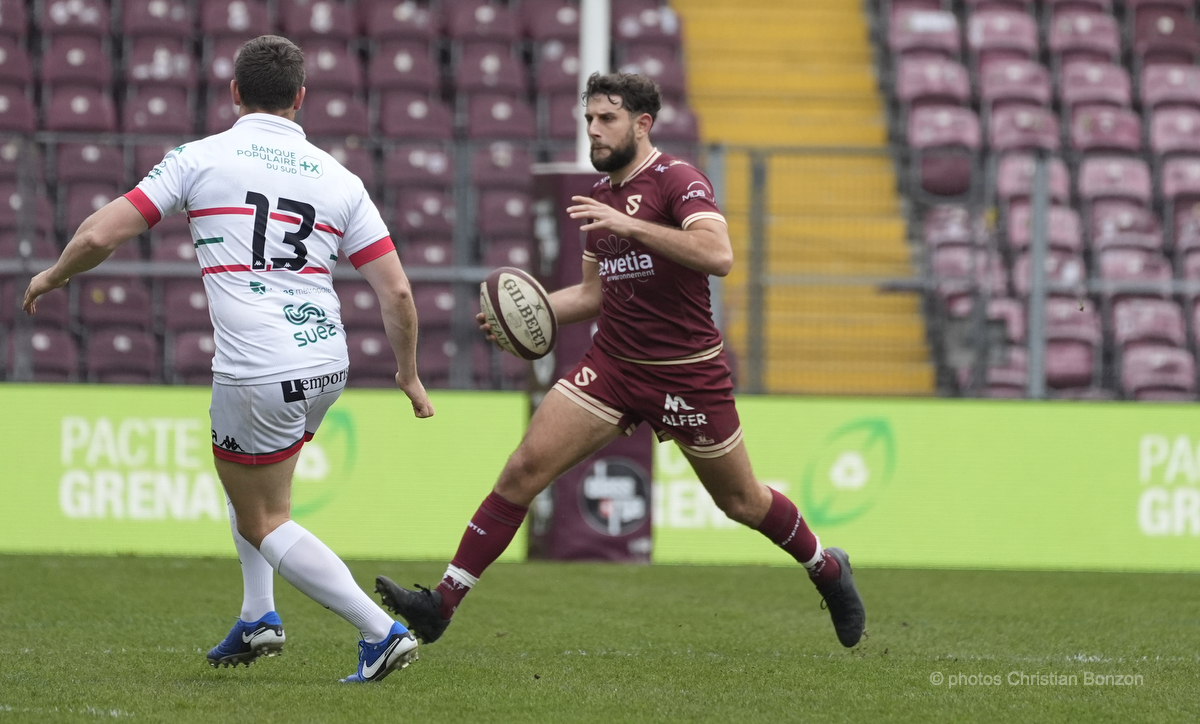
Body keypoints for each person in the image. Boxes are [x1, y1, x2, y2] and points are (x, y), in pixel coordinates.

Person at [375, 72, 866, 649]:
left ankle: (826, 569)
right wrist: (529, 314)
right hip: (613, 365)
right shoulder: (602, 196)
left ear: (642, 124)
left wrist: (631, 224)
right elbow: (592, 293)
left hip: (687, 370)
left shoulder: (676, 180)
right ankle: (441, 604)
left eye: (606, 119)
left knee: (742, 502)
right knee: (522, 470)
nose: (594, 130)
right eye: (588, 119)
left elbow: (720, 254)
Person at [23, 35, 434, 683]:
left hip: (257, 368)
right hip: (326, 362)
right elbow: (399, 294)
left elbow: (103, 232)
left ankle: (379, 632)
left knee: (263, 517)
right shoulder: (340, 178)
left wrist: (54, 274)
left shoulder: (199, 158)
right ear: (300, 98)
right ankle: (258, 615)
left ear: (235, 92)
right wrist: (407, 373)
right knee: (258, 489)